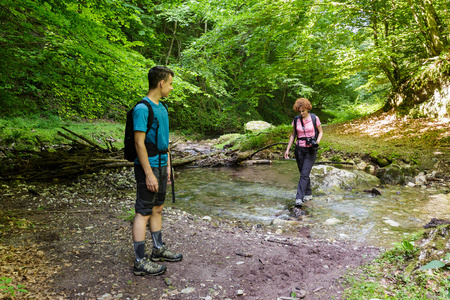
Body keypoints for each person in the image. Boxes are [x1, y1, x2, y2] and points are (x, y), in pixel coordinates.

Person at [132, 66, 182, 276]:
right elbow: (139, 143)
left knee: (158, 208)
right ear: (161, 83)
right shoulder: (142, 109)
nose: (171, 88)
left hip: (162, 163)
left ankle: (158, 249)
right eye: (170, 83)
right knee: (143, 212)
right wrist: (149, 173)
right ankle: (139, 261)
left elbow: (165, 141)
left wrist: (168, 165)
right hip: (148, 166)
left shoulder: (163, 108)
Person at [284, 98, 323, 208]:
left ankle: (299, 198)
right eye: (299, 111)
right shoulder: (296, 120)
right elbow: (293, 135)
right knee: (303, 173)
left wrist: (317, 142)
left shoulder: (315, 118)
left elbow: (320, 132)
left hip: (311, 150)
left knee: (304, 174)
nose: (301, 113)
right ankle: (308, 193)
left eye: (303, 111)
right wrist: (287, 149)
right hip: (299, 149)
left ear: (307, 109)